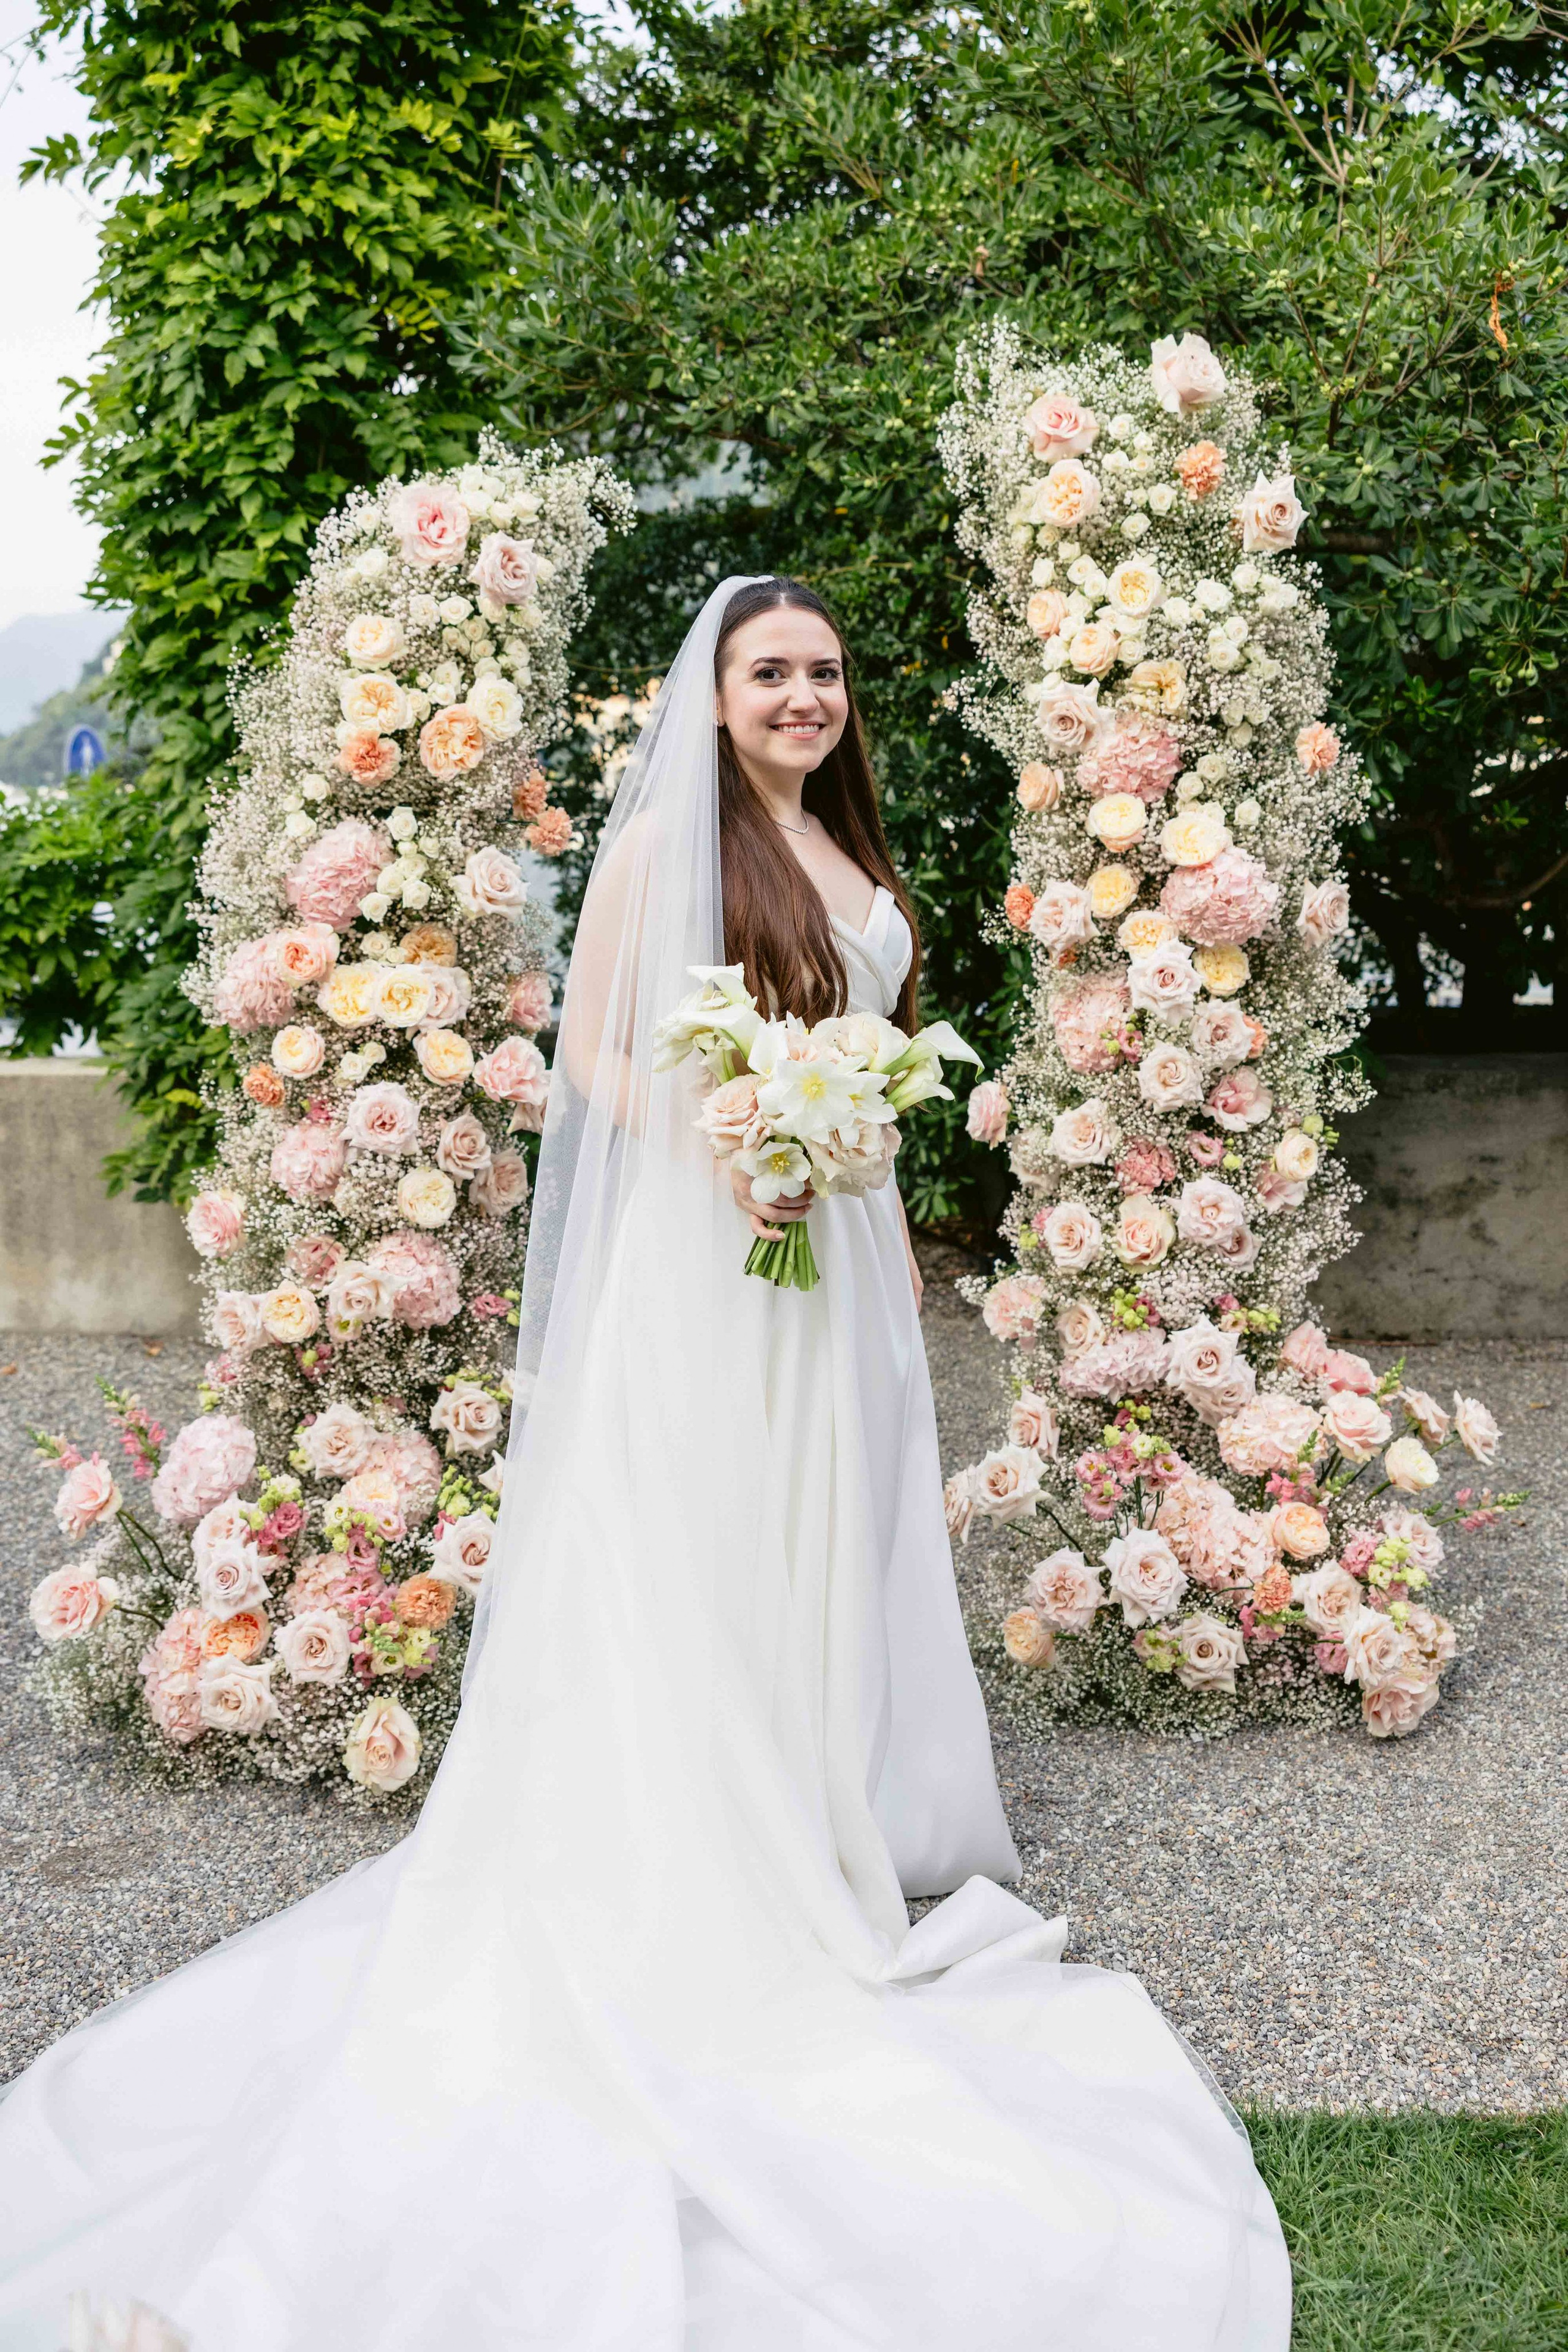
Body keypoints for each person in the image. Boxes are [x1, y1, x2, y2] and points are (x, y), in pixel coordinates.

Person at [0, 578, 1291, 2349]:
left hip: (833, 1260)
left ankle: (815, 1801)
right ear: (715, 697)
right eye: (773, 672)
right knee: (695, 1534)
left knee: (813, 1538)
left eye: (826, 673)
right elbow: (590, 1049)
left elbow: (877, 1056)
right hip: (711, 1260)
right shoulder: (668, 857)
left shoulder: (852, 853)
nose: (805, 697)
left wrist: (844, 1159)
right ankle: (703, 1841)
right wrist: (729, 1134)